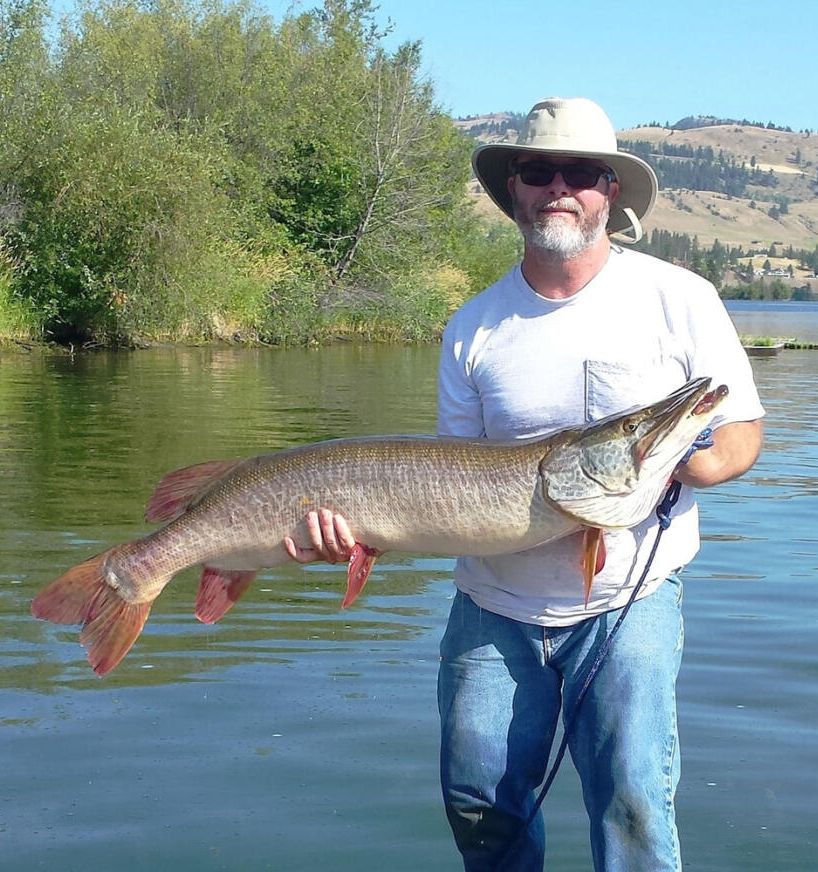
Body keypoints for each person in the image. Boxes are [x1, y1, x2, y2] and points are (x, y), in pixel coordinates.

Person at [290, 97, 765, 871]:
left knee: (634, 803)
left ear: (611, 190)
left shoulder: (679, 298)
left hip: (627, 604)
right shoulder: (474, 326)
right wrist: (348, 538)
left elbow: (740, 429)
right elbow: (441, 485)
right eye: (538, 171)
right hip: (492, 608)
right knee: (479, 806)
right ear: (513, 189)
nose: (559, 187)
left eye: (580, 172)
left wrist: (703, 458)